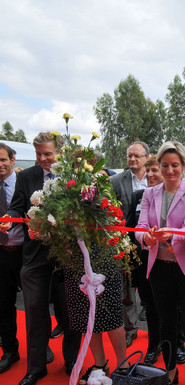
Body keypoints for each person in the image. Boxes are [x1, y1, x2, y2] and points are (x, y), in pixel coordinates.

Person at [1, 133, 82, 385]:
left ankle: (72, 360)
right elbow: (17, 207)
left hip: (67, 256)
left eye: (47, 153)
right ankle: (35, 368)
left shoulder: (74, 175)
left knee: (69, 312)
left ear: (59, 152)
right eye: (38, 155)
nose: (43, 159)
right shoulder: (26, 177)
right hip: (35, 256)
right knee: (34, 313)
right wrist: (9, 218)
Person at [136, 141, 185, 385]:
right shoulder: (149, 194)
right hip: (159, 267)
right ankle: (169, 373)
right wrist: (146, 237)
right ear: (158, 165)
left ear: (184, 166)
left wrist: (168, 233)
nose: (170, 170)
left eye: (175, 165)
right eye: (165, 165)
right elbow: (139, 228)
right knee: (166, 323)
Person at [110, 141, 150, 347]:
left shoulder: (155, 177)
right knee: (127, 289)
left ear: (147, 158)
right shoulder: (115, 181)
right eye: (129, 156)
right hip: (125, 243)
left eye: (136, 156)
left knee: (150, 288)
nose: (132, 159)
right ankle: (131, 329)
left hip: (152, 243)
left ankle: (156, 329)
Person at [125, 155, 163, 365]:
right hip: (144, 260)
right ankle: (153, 345)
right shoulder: (138, 195)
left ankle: (177, 343)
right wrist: (130, 259)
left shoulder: (172, 195)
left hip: (168, 259)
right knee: (149, 304)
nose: (149, 175)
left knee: (172, 305)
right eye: (147, 171)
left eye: (154, 170)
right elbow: (131, 228)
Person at [0, 143, 24, 374]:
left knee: (35, 304)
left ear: (12, 160)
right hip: (1, 254)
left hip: (26, 253)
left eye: (3, 160)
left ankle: (42, 346)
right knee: (4, 303)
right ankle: (9, 349)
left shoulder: (24, 184)